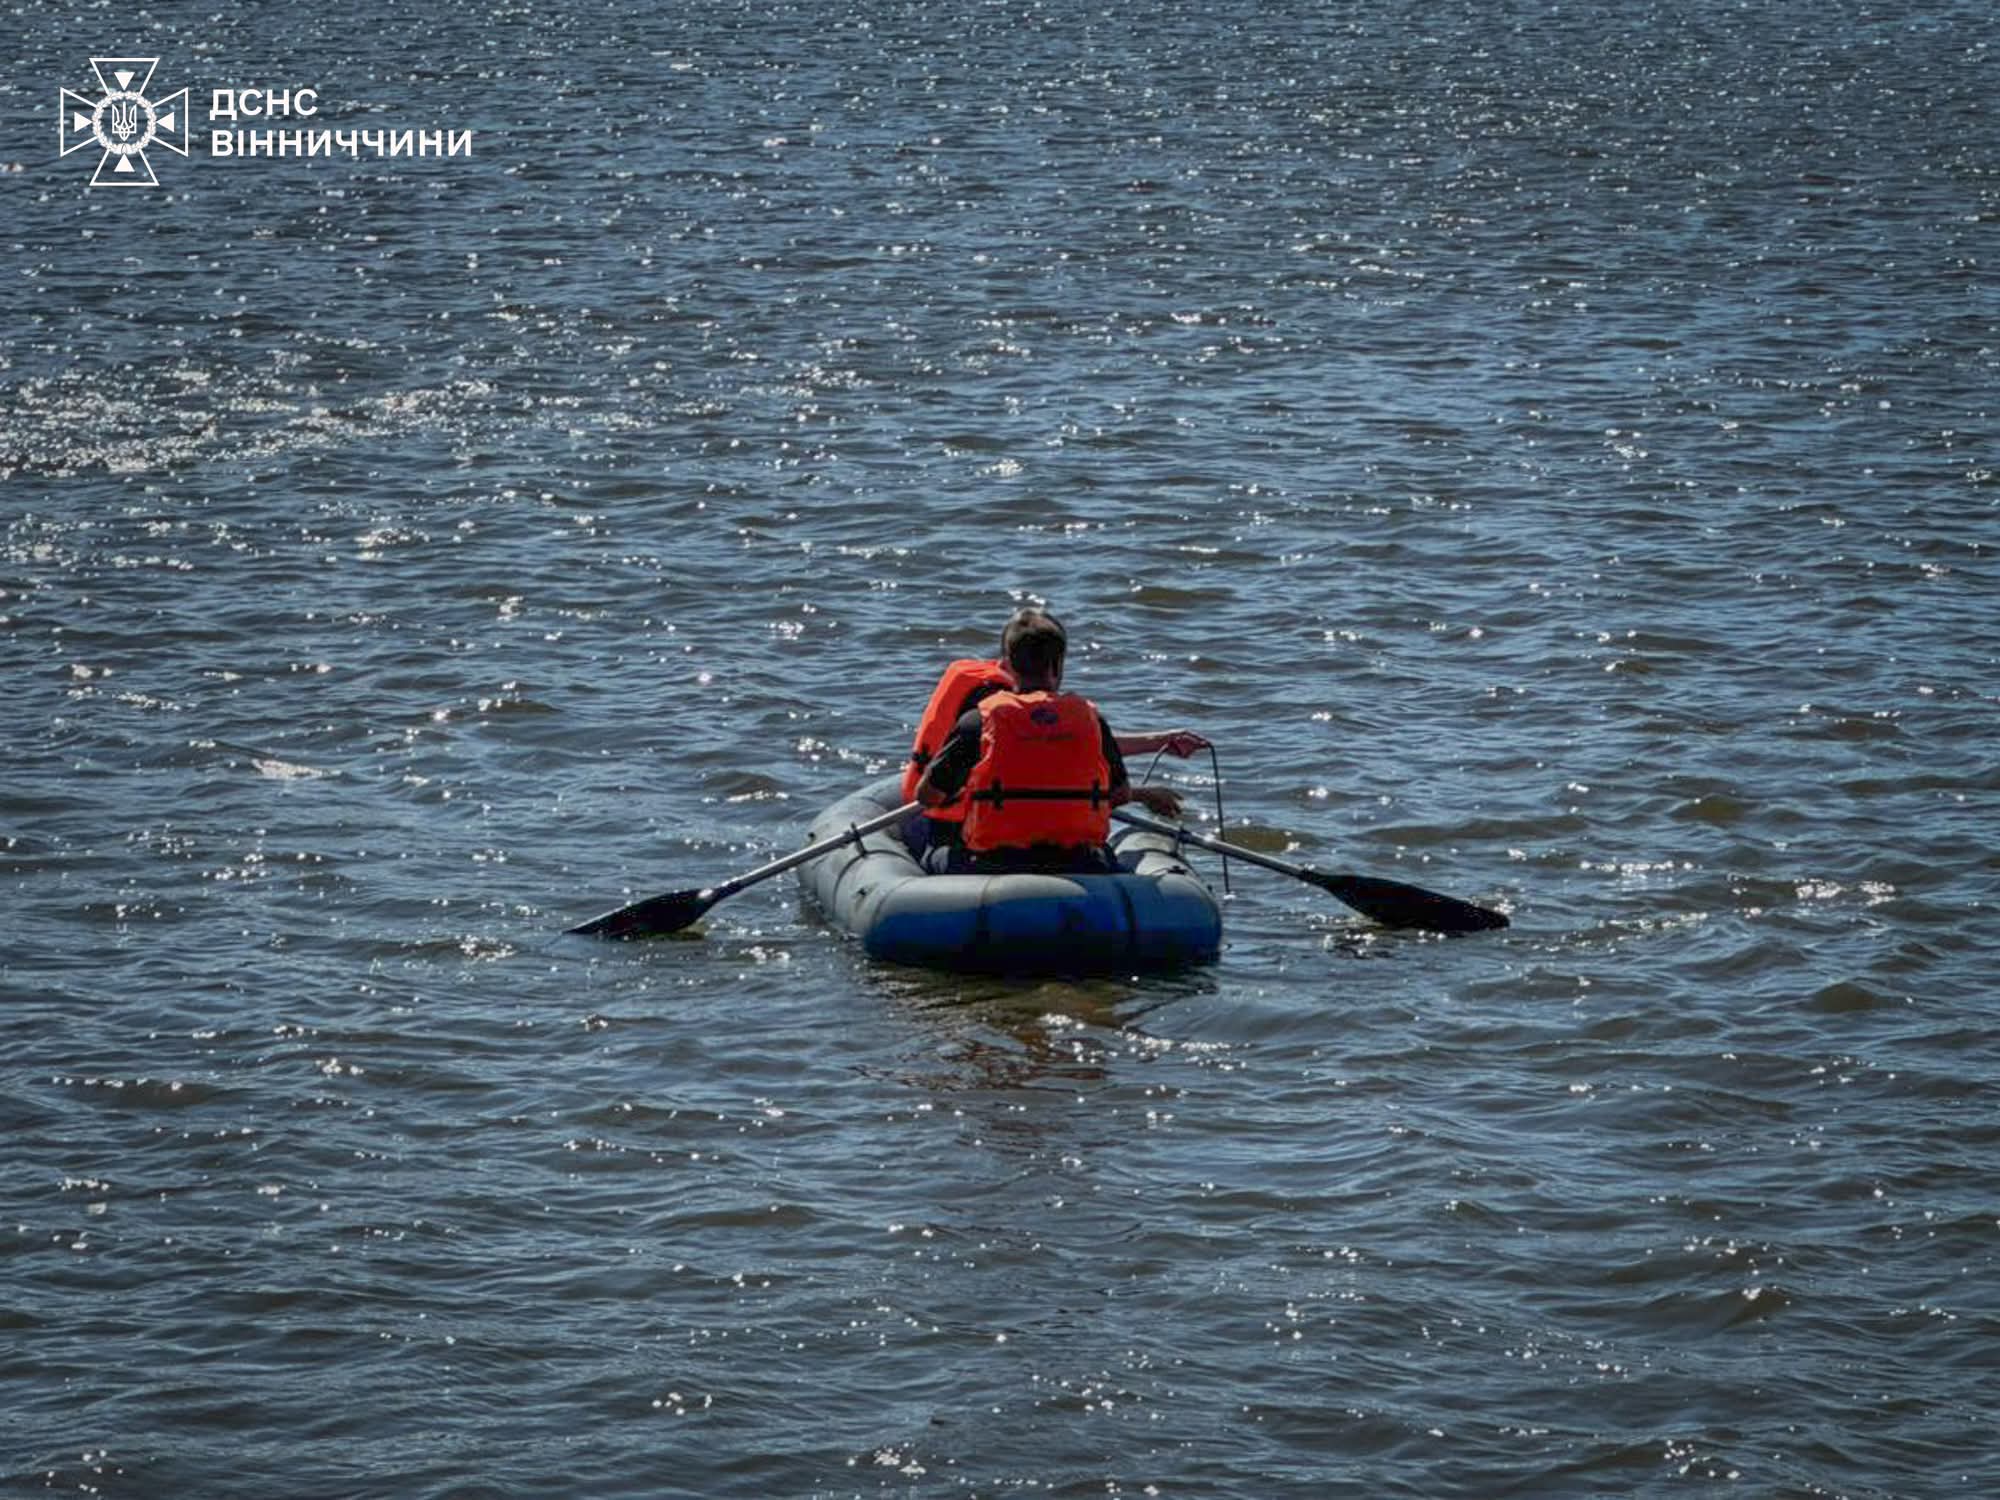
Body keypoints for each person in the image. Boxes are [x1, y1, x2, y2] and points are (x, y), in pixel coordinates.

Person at [902, 607, 1209, 861]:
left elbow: (928, 796)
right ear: (1058, 667)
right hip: (1076, 860)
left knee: (930, 852)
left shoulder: (979, 720)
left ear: (1006, 666)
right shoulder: (1089, 718)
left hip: (994, 863)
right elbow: (1117, 794)